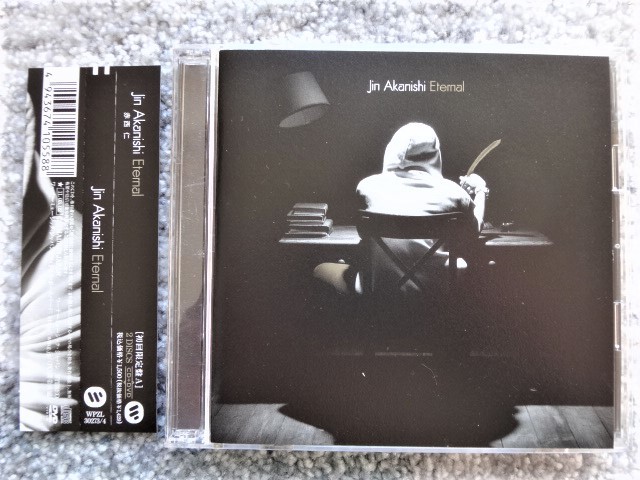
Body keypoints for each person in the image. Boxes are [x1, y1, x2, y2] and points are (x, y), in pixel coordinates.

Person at [314, 122, 488, 296]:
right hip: (437, 291)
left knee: (320, 269)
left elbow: (364, 235)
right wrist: (480, 190)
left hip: (378, 291)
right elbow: (473, 232)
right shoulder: (454, 192)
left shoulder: (367, 187)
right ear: (436, 154)